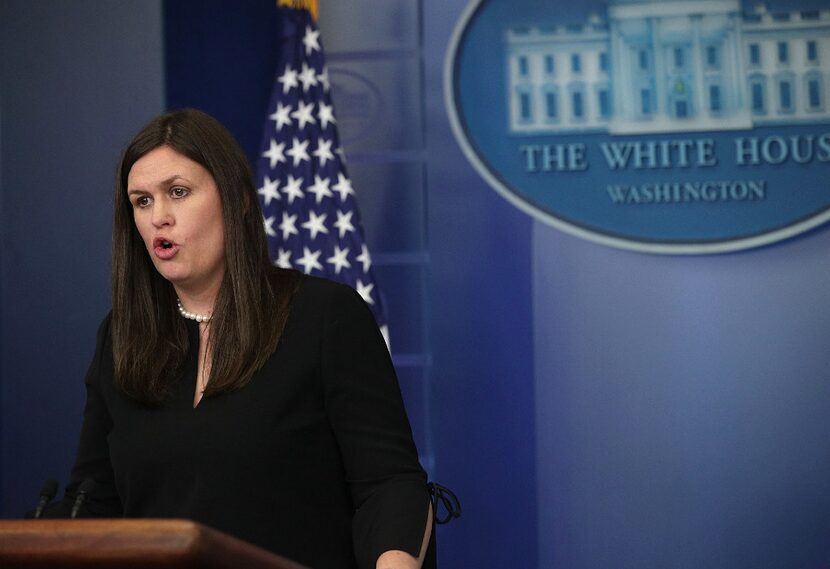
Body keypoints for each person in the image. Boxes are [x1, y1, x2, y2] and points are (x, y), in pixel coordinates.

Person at [44, 108, 435, 569]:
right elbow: (92, 502)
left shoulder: (323, 317)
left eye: (178, 192)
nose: (159, 218)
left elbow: (388, 484)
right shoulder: (122, 337)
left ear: (238, 201)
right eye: (142, 201)